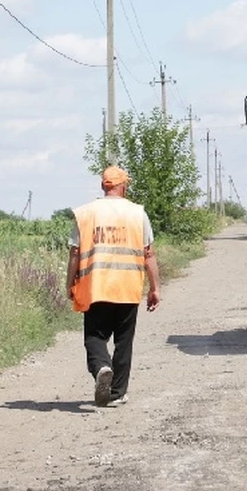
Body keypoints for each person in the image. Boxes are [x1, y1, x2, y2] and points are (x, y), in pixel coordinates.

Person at [66, 165, 161, 408]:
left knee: (94, 337)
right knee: (124, 341)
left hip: (95, 286)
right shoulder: (137, 213)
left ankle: (101, 367)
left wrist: (70, 283)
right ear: (124, 186)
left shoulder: (86, 213)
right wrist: (154, 288)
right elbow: (148, 254)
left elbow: (75, 254)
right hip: (128, 286)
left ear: (103, 186)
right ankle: (117, 392)